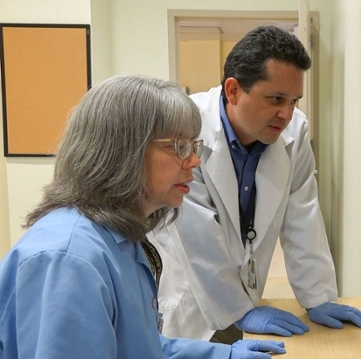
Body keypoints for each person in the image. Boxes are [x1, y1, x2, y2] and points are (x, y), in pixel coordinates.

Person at [0, 75, 286, 358]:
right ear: (124, 152)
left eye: (193, 146)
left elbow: (139, 347)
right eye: (179, 147)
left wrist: (223, 355)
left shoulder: (119, 239)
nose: (196, 161)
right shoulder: (68, 259)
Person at [148, 25, 361, 344]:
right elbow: (195, 234)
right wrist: (239, 309)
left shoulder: (294, 133)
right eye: (276, 98)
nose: (286, 113)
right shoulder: (187, 130)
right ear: (233, 90)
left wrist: (318, 295)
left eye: (294, 100)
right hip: (188, 296)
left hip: (245, 292)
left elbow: (303, 216)